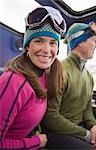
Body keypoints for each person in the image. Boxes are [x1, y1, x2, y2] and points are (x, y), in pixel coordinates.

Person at [0, 6, 66, 149]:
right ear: (27, 46)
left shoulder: (47, 76)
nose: (47, 50)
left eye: (52, 43)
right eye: (39, 41)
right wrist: (36, 141)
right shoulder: (13, 82)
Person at [41, 22, 96, 149]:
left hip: (78, 130)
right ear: (80, 42)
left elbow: (87, 109)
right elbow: (50, 116)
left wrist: (94, 126)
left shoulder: (88, 76)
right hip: (57, 132)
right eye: (94, 40)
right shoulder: (58, 70)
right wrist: (87, 135)